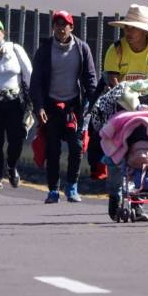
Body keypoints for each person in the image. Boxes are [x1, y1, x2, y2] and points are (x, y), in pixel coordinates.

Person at [101, 3, 148, 220]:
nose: (128, 31)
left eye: (133, 28)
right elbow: (112, 79)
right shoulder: (116, 49)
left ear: (144, 30)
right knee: (118, 154)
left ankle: (138, 202)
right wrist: (125, 92)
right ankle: (116, 195)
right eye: (127, 27)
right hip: (123, 107)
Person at [29, 11, 97, 204]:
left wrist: (91, 106)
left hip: (74, 107)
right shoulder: (44, 50)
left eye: (64, 24)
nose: (60, 28)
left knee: (76, 147)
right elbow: (36, 82)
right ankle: (53, 190)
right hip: (51, 106)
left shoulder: (82, 49)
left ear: (71, 27)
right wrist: (39, 108)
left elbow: (90, 80)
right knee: (52, 149)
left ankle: (72, 186)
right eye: (57, 24)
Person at [0, 18, 32, 190]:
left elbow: (28, 73)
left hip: (14, 103)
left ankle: (11, 166)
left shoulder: (15, 49)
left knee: (16, 139)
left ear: (3, 33)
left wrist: (33, 99)